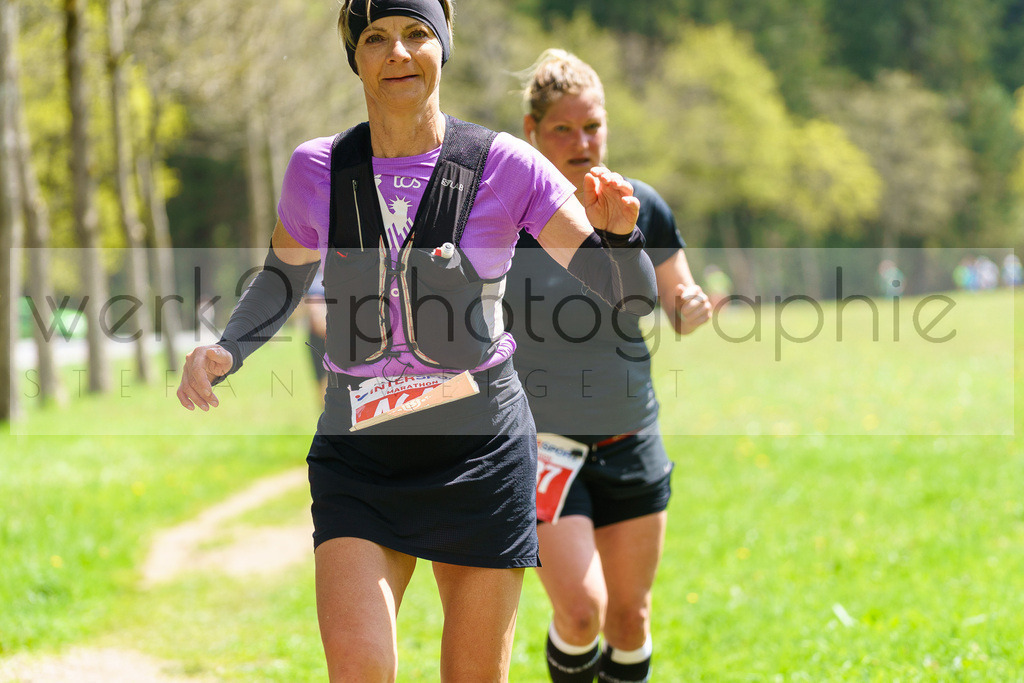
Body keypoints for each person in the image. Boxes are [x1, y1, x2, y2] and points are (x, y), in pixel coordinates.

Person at [175, 4, 657, 682]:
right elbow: (284, 275)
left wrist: (621, 237)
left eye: (416, 33)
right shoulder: (317, 169)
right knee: (361, 670)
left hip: (480, 454)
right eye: (375, 38)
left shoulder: (505, 165)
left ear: (443, 47)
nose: (397, 51)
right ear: (355, 58)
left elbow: (626, 294)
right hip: (362, 456)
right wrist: (229, 346)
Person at [504, 49, 711, 682]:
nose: (581, 141)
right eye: (562, 129)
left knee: (630, 618)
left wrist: (692, 306)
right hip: (546, 449)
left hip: (631, 440)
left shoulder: (639, 205)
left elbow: (676, 300)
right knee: (581, 613)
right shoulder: (509, 214)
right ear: (532, 132)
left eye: (592, 126)